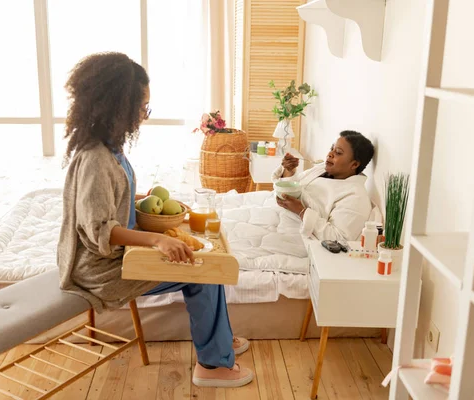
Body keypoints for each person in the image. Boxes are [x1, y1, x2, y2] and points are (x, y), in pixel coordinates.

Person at [56, 52, 253, 388]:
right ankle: (213, 364)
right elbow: (100, 228)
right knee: (204, 274)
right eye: (142, 105)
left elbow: (109, 201)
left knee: (208, 260)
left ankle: (218, 340)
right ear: (118, 105)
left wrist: (144, 201)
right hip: (100, 272)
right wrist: (159, 239)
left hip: (116, 260)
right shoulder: (94, 159)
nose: (144, 115)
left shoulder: (108, 148)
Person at [273, 130, 376, 241]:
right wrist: (289, 171)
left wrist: (301, 211)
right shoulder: (322, 169)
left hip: (297, 234)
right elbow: (297, 185)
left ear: (354, 164)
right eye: (331, 149)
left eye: (338, 152)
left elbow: (339, 238)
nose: (330, 154)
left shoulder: (356, 196)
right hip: (280, 217)